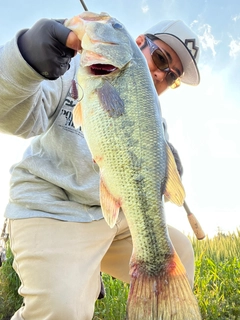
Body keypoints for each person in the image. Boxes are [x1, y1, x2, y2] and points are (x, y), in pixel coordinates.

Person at [0, 14, 200, 320]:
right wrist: (25, 61)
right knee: (61, 311)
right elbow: (10, 116)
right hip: (52, 209)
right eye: (161, 58)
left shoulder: (155, 121)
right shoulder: (72, 72)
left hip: (106, 217)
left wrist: (163, 171)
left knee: (178, 253)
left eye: (172, 76)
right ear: (138, 44)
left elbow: (138, 186)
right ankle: (76, 278)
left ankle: (89, 273)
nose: (162, 75)